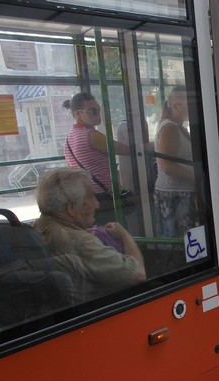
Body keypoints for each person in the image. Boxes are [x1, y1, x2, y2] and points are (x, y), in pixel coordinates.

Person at [33, 168, 146, 305]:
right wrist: (125, 236)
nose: (97, 205)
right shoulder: (83, 242)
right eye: (91, 197)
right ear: (72, 208)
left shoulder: (36, 228)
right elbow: (138, 275)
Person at [62, 93, 131, 224]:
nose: (98, 114)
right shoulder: (92, 136)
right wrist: (151, 146)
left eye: (99, 109)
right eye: (92, 111)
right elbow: (126, 150)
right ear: (77, 114)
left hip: (85, 196)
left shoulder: (69, 138)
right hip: (102, 197)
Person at [154, 86, 197, 237]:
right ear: (176, 104)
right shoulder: (170, 128)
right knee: (180, 243)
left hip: (182, 194)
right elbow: (167, 165)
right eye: (190, 102)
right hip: (175, 196)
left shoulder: (178, 127)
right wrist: (199, 178)